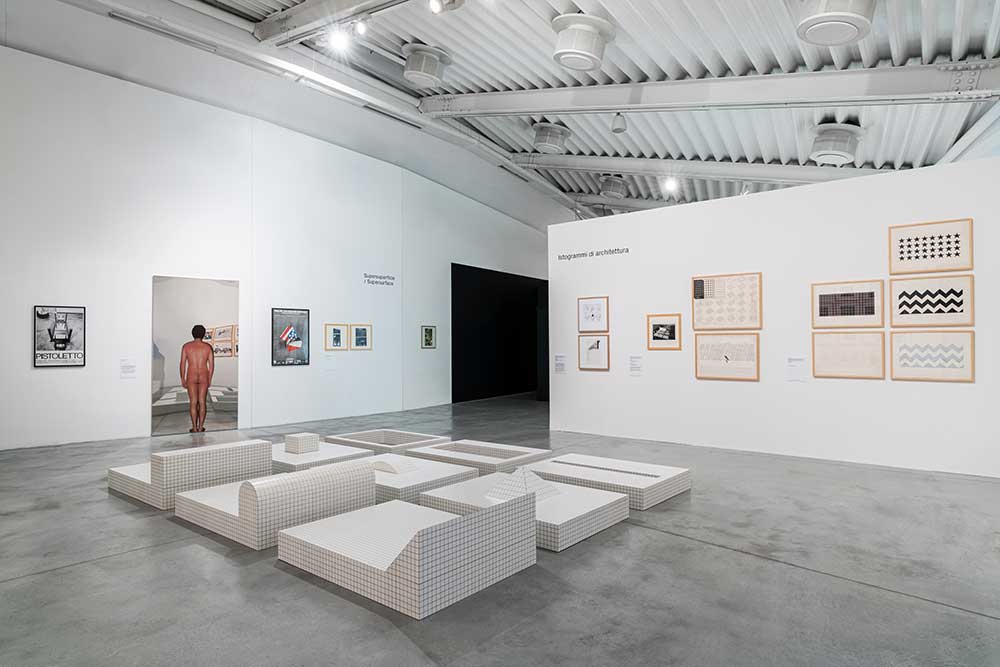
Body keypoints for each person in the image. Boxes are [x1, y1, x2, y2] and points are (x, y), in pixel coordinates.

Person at [180, 325, 215, 433]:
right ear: (203, 334)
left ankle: (194, 427)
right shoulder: (207, 347)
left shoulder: (186, 347)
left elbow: (182, 364)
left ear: (192, 333)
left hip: (191, 375)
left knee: (193, 402)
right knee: (202, 402)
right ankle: (201, 427)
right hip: (204, 376)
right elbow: (211, 366)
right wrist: (209, 378)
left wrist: (182, 378)